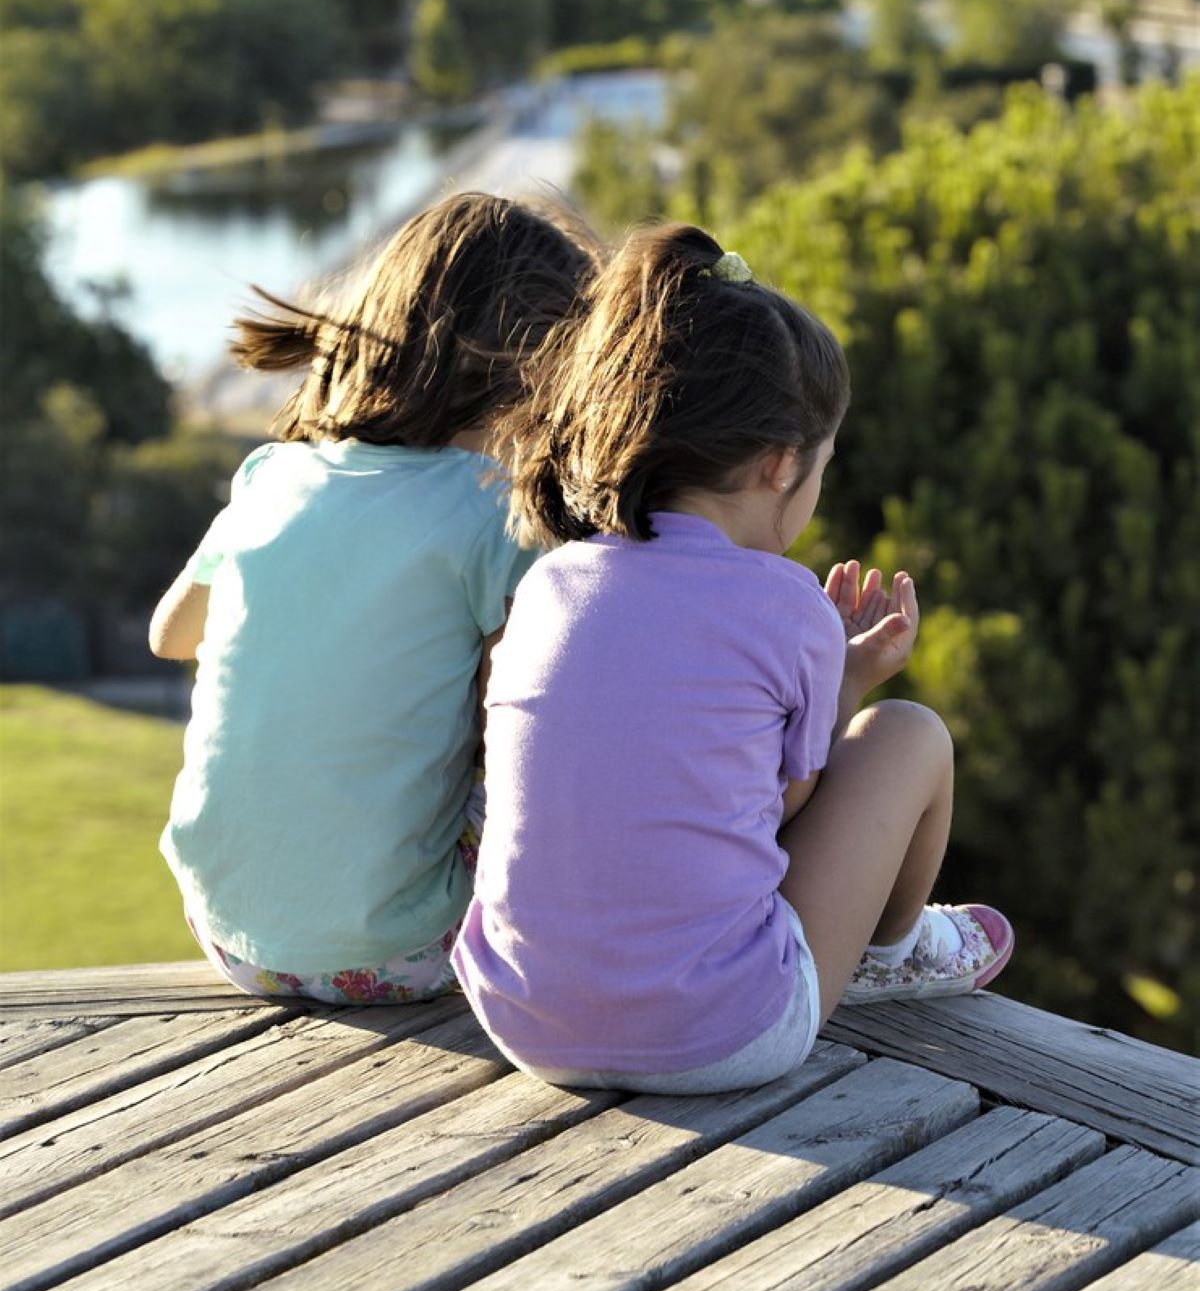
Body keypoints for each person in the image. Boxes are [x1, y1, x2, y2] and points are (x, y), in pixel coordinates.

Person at [453, 223, 1013, 1092]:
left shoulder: (552, 584)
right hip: (719, 1033)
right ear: (780, 464)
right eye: (823, 464)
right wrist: (850, 681)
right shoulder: (786, 604)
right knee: (909, 733)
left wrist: (837, 673)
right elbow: (778, 808)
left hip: (524, 1018)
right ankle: (893, 950)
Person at [150, 191, 596, 1005]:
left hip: (225, 929)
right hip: (407, 946)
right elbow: (525, 720)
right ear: (533, 376)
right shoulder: (495, 509)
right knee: (560, 731)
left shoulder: (271, 474)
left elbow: (171, 635)